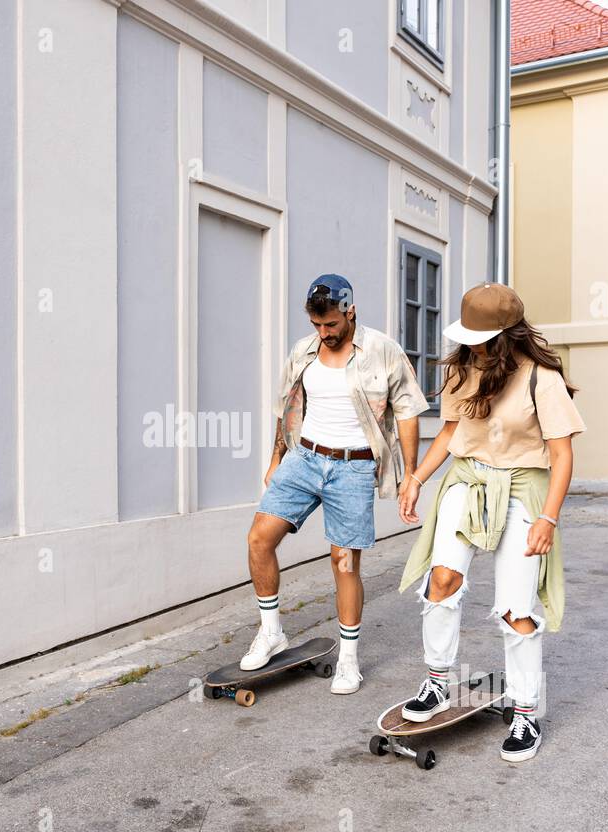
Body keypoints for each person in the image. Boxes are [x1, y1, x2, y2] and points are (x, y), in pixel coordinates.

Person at [396, 281, 585, 762]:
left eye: (480, 337)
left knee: (515, 607)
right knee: (442, 579)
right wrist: (417, 477)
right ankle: (438, 681)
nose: (471, 344)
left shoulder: (542, 378)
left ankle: (526, 713)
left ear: (505, 335)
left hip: (523, 487)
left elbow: (562, 456)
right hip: (467, 481)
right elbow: (452, 432)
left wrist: (549, 517)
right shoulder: (463, 368)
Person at [246, 274, 428, 694]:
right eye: (317, 326)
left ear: (350, 311)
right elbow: (287, 405)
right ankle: (272, 631)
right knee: (259, 538)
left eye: (330, 324)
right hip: (304, 458)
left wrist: (410, 476)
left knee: (343, 561)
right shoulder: (303, 351)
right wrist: (277, 458)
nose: (323, 333)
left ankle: (348, 659)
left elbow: (408, 412)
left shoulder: (382, 350)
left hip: (354, 467)